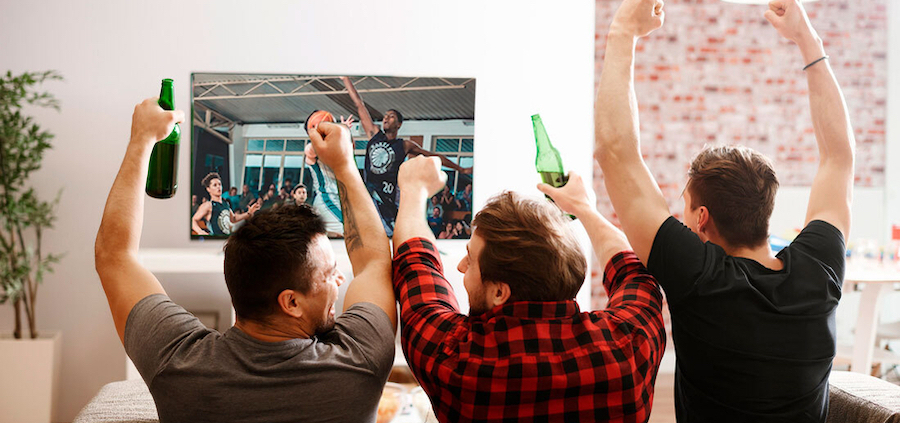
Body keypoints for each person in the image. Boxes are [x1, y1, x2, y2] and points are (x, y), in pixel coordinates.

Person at [594, 0, 853, 421]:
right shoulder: (818, 273)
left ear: (701, 219)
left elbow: (615, 152)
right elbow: (839, 157)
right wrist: (808, 41)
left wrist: (623, 30)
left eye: (684, 208)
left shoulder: (699, 279)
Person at [95, 100, 397, 422]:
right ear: (291, 302)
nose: (340, 280)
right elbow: (374, 261)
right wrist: (344, 165)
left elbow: (115, 257)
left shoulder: (177, 362)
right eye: (330, 273)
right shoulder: (360, 361)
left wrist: (141, 139)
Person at [391, 155, 666, 422]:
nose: (462, 266)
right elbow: (629, 268)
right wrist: (584, 208)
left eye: (471, 258)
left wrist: (415, 188)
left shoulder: (454, 359)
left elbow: (417, 264)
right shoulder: (630, 344)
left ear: (500, 292)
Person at [341, 76, 472, 237]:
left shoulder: (404, 145)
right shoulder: (374, 134)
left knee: (390, 233)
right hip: (369, 192)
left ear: (399, 124)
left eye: (391, 116)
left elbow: (435, 157)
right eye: (385, 116)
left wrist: (462, 169)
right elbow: (359, 105)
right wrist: (346, 79)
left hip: (388, 198)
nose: (386, 118)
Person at [303, 110, 345, 237]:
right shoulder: (311, 148)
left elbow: (350, 148)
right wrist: (318, 133)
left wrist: (344, 133)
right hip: (327, 199)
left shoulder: (336, 147)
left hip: (341, 198)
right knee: (347, 233)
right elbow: (311, 150)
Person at [192, 172, 260, 236]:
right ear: (208, 189)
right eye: (215, 185)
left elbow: (233, 218)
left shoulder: (225, 203)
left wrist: (248, 213)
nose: (218, 187)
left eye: (219, 184)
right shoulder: (208, 205)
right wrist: (200, 232)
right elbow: (193, 220)